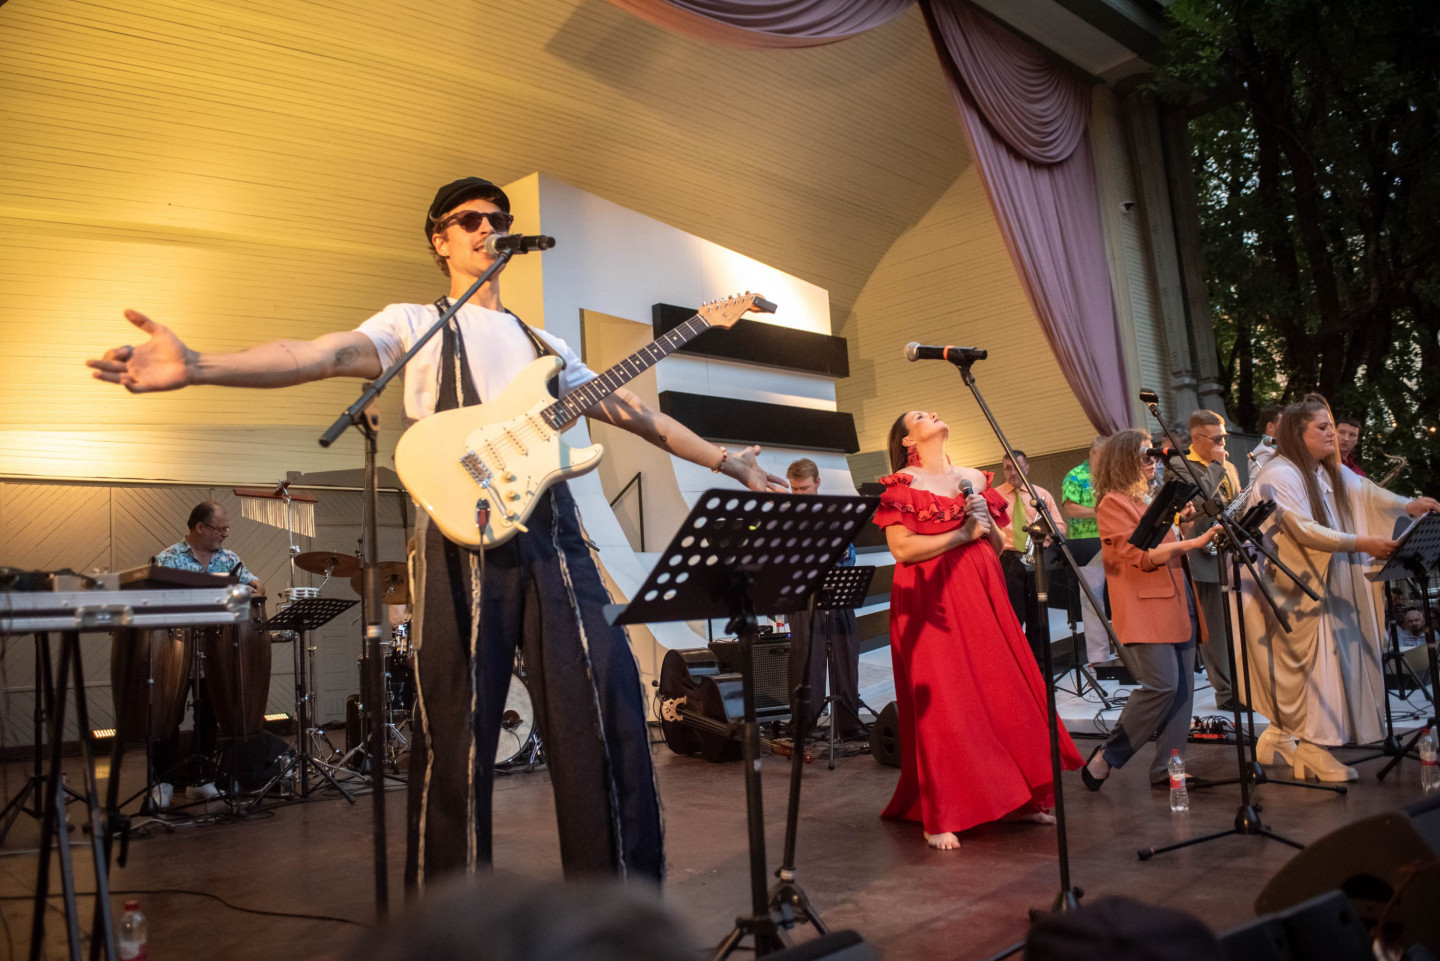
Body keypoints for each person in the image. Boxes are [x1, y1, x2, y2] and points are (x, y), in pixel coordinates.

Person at [87, 176, 784, 887]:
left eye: (499, 218)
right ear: (440, 240)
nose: (489, 227)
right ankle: (453, 912)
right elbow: (317, 354)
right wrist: (199, 366)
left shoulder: (544, 344)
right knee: (456, 731)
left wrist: (727, 461)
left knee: (605, 707)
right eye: (470, 218)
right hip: (457, 534)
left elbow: (636, 412)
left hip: (552, 537)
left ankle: (620, 906)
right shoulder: (414, 323)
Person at [875, 410, 1082, 850]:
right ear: (909, 439)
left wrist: (982, 526)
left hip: (982, 592)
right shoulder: (902, 486)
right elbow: (902, 550)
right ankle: (940, 813)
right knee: (944, 700)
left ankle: (1018, 798)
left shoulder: (973, 479)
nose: (932, 413)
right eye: (920, 415)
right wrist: (962, 534)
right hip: (930, 599)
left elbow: (997, 542)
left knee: (999, 689)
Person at [1234, 398, 1438, 781]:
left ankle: (1279, 737)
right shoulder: (1279, 474)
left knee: (1326, 663)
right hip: (1296, 590)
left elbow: (1367, 493)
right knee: (1318, 667)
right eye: (1323, 427)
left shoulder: (1325, 470)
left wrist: (1409, 505)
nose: (1333, 434)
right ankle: (1313, 748)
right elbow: (1302, 529)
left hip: (1328, 580)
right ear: (1298, 433)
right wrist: (1362, 542)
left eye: (1331, 425)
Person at [1079, 430, 1217, 792]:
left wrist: (1183, 524)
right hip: (1145, 607)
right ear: (1124, 460)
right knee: (1162, 686)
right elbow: (1139, 556)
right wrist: (1192, 541)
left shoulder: (1152, 498)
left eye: (1153, 455)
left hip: (1178, 598)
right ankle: (1108, 755)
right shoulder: (1113, 503)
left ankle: (1169, 770)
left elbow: (1164, 542)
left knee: (1182, 691)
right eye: (1144, 455)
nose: (1152, 461)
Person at [149, 501, 265, 804]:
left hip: (216, 650)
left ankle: (201, 778)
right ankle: (163, 782)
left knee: (209, 714)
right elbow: (154, 599)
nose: (225, 534)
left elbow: (258, 586)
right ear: (200, 528)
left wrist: (246, 589)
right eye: (220, 529)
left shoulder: (229, 559)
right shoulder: (168, 558)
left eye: (226, 529)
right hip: (175, 649)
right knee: (168, 716)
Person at [783, 458, 865, 739]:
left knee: (846, 659)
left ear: (817, 482)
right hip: (802, 600)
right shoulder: (786, 519)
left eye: (804, 489)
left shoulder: (834, 514)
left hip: (837, 594)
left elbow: (851, 557)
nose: (799, 495)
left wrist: (840, 552)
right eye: (794, 490)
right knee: (806, 665)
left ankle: (849, 724)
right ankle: (804, 726)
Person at [1174, 411, 1242, 712]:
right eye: (1216, 439)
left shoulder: (1227, 465)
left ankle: (1245, 685)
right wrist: (1217, 465)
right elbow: (1201, 501)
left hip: (1232, 554)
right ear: (1196, 438)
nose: (1222, 444)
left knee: (1237, 627)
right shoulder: (1179, 465)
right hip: (1203, 557)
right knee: (1215, 630)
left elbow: (1235, 501)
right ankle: (1226, 693)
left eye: (1224, 437)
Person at [991, 449, 1066, 659]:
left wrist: (1043, 541)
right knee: (1013, 616)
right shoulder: (994, 497)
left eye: (1017, 467)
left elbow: (1060, 526)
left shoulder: (1040, 495)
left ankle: (1039, 664)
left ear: (1027, 468)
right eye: (1008, 468)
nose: (1013, 472)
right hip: (1008, 561)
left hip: (1037, 560)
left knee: (1038, 615)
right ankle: (1015, 662)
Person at [1061, 437, 1109, 664]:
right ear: (1093, 453)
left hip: (1115, 540)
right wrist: (1103, 512)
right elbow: (1071, 509)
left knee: (1120, 598)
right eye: (1103, 455)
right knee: (1092, 600)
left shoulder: (1112, 474)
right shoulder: (1075, 475)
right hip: (1087, 545)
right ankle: (1098, 658)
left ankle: (1129, 652)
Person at [1250, 404, 1283, 473]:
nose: (1289, 427)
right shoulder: (1264, 451)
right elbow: (1257, 478)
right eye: (1284, 423)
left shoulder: (1276, 448)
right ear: (1270, 426)